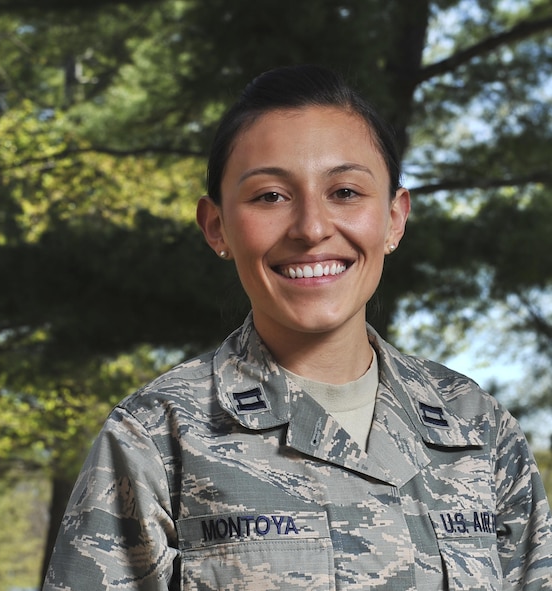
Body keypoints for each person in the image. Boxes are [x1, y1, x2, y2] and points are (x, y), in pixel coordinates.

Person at [42, 65, 552, 590]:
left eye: (346, 192)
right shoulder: (155, 437)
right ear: (217, 227)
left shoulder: (477, 429)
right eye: (270, 196)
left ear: (394, 218)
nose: (311, 227)